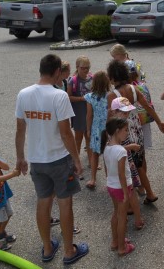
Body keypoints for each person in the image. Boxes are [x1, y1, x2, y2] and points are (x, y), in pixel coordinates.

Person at [15, 54, 88, 265]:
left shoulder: (23, 94)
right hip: (59, 159)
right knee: (65, 203)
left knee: (43, 202)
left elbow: (20, 129)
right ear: (57, 71)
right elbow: (66, 133)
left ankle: (47, 248)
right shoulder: (59, 96)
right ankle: (69, 251)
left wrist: (20, 157)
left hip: (37, 160)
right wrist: (77, 159)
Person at [100, 118, 135, 257]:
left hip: (111, 186)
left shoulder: (107, 147)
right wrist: (126, 193)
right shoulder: (121, 151)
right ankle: (122, 247)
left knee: (116, 213)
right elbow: (121, 174)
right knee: (122, 218)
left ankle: (115, 241)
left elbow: (109, 168)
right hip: (121, 188)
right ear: (117, 131)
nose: (127, 133)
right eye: (126, 130)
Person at [109, 96, 145, 230]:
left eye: (128, 111)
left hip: (127, 162)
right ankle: (125, 216)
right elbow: (113, 148)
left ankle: (137, 218)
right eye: (124, 112)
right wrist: (131, 147)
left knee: (131, 191)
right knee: (125, 192)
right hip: (120, 163)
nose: (127, 114)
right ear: (114, 112)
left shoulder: (125, 123)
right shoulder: (111, 129)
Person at [84, 70, 110, 189]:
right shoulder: (110, 95)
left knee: (95, 154)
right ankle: (109, 180)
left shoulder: (90, 97)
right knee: (108, 155)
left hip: (96, 128)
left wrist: (88, 129)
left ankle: (93, 179)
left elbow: (89, 115)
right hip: (108, 127)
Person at [66, 56, 93, 160]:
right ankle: (76, 161)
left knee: (89, 138)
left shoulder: (92, 78)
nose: (85, 70)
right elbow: (68, 97)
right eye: (83, 68)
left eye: (87, 67)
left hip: (90, 114)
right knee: (78, 138)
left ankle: (91, 161)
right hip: (78, 114)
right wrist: (82, 98)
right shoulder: (72, 81)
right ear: (77, 67)